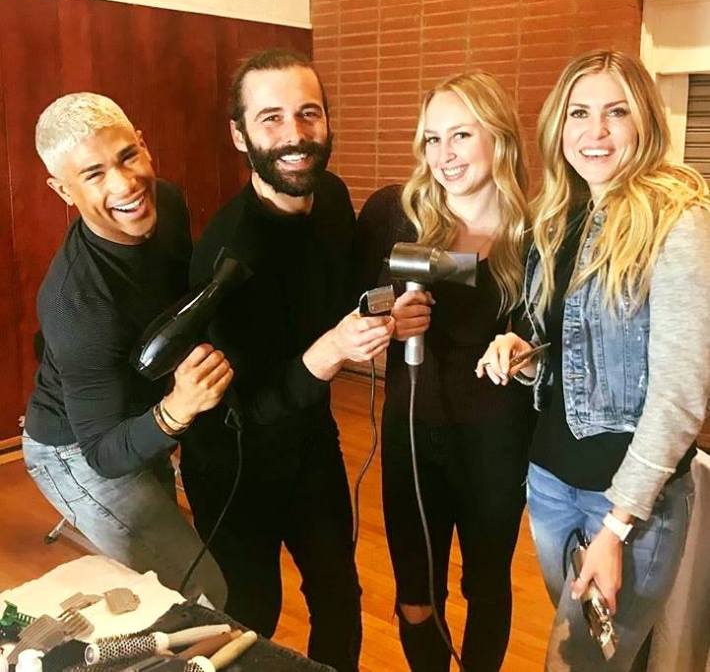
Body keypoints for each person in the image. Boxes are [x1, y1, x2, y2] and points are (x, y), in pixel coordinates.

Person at [476, 50, 710, 671]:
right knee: (607, 658)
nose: (595, 131)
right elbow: (575, 355)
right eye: (580, 112)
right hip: (550, 482)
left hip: (629, 503)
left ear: (646, 124)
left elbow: (680, 397)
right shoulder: (558, 217)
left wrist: (618, 526)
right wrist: (525, 354)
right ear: (559, 124)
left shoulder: (678, 224)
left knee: (577, 663)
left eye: (617, 113)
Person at [179, 48, 394, 672]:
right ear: (239, 134)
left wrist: (386, 309)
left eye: (309, 114)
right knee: (251, 618)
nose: (295, 135)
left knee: (338, 597)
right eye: (270, 118)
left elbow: (341, 286)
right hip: (232, 461)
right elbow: (244, 406)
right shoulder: (226, 255)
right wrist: (326, 354)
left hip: (309, 439)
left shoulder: (329, 195)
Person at [354, 72, 536, 671]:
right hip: (413, 435)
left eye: (461, 135)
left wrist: (525, 351)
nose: (444, 155)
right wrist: (388, 314)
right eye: (432, 139)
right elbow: (358, 303)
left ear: (500, 138)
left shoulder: (537, 234)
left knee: (487, 584)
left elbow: (554, 339)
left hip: (496, 442)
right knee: (414, 593)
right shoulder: (393, 216)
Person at [23, 92, 230, 607]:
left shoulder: (169, 203)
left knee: (161, 585)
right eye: (93, 175)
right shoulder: (78, 302)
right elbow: (104, 455)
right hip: (76, 449)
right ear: (62, 189)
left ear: (143, 143)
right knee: (201, 592)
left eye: (127, 157)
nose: (125, 185)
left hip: (137, 412)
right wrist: (176, 409)